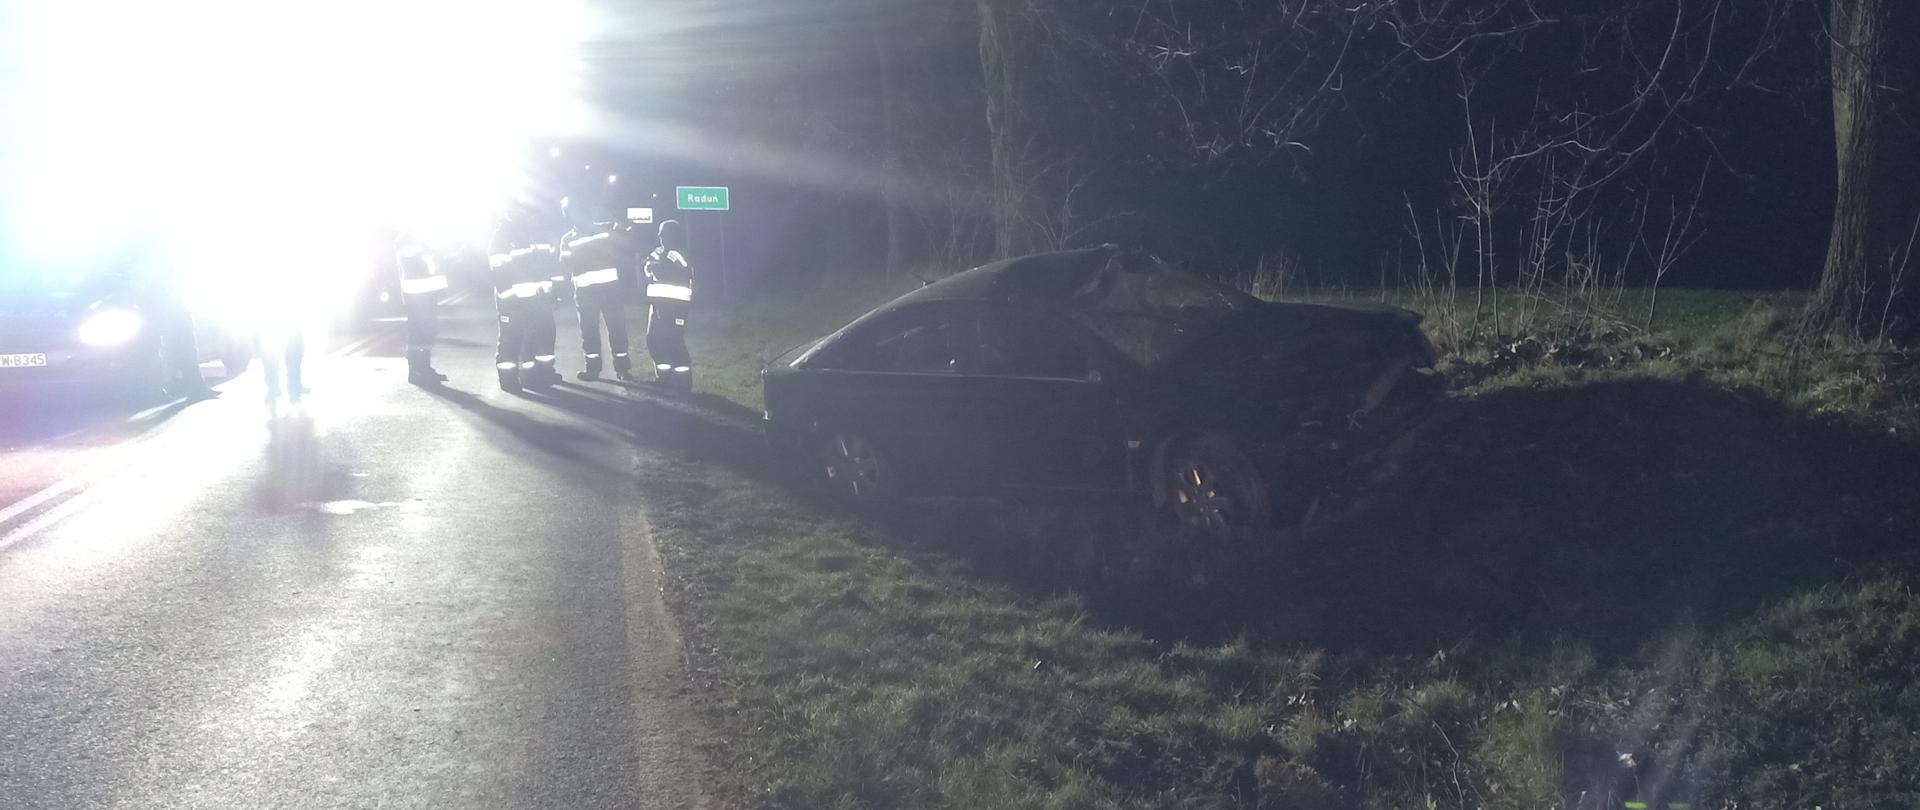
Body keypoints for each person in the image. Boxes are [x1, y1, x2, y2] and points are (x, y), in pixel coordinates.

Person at [558, 196, 638, 381]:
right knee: (594, 331)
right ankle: (603, 369)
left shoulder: (598, 230)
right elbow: (565, 265)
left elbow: (626, 240)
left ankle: (615, 369)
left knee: (612, 329)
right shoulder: (599, 230)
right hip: (594, 291)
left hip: (600, 290)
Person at [488, 211, 562, 392]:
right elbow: (500, 276)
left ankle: (539, 375)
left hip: (539, 300)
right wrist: (510, 299)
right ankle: (508, 379)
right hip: (513, 302)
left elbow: (552, 265)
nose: (531, 217)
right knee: (511, 340)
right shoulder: (501, 240)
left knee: (543, 337)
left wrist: (554, 293)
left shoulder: (537, 234)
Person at [643, 219, 694, 393]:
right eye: (660, 234)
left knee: (674, 341)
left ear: (673, 235)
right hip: (657, 305)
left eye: (664, 233)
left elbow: (684, 270)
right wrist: (650, 268)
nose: (660, 237)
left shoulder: (679, 254)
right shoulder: (658, 251)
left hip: (676, 306)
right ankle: (664, 378)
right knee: (653, 339)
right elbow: (647, 266)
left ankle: (683, 382)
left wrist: (660, 268)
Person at [395, 233, 448, 385]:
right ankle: (417, 369)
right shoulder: (412, 246)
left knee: (425, 332)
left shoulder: (419, 246)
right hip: (419, 296)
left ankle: (423, 367)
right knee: (420, 333)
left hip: (424, 296)